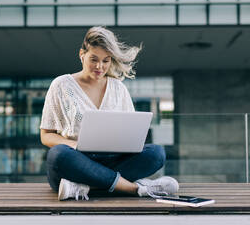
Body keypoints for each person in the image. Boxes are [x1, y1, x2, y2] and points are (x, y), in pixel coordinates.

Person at [40, 26, 179, 201]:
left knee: (157, 153)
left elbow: (131, 133)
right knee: (58, 155)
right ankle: (136, 188)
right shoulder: (61, 85)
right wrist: (73, 145)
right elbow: (46, 136)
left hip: (112, 160)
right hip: (76, 162)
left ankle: (83, 186)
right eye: (94, 59)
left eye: (106, 61)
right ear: (81, 54)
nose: (100, 66)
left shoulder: (118, 88)